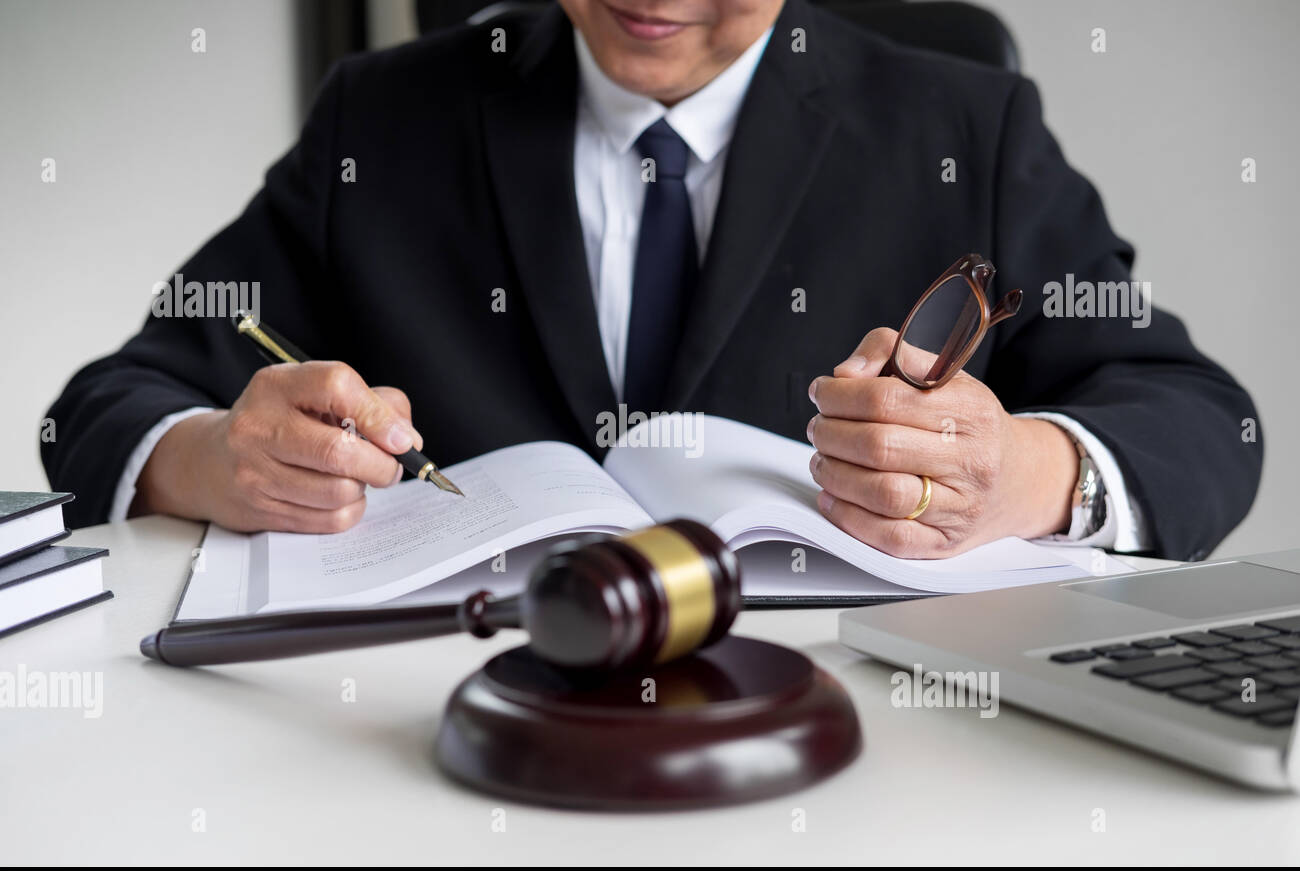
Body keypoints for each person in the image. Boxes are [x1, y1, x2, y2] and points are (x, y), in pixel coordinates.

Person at [42, 0, 1261, 561]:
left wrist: (1020, 479)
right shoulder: (387, 115)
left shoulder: (963, 119)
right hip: (442, 716)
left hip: (870, 737)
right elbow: (111, 398)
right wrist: (215, 457)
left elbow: (1202, 417)